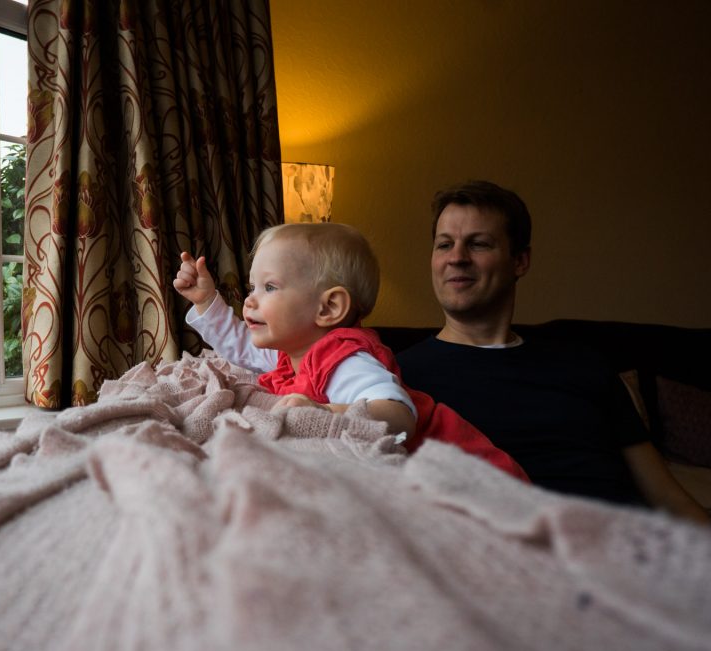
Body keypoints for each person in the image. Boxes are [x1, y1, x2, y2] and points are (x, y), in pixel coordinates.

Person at [396, 179, 708, 523]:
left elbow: (669, 499)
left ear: (520, 261)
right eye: (444, 245)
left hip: (631, 552)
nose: (457, 258)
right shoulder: (398, 381)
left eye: (479, 244)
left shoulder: (584, 365)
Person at [173, 222, 528, 481]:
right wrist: (206, 300)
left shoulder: (346, 359)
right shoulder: (292, 353)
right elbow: (239, 347)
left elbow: (399, 415)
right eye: (253, 286)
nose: (250, 299)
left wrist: (325, 410)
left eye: (270, 286)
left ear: (328, 308)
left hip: (470, 472)